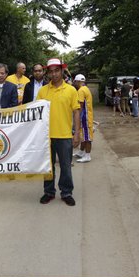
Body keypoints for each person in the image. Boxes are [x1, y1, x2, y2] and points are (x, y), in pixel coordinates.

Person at [36, 58, 80, 206]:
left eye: (57, 71)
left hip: (65, 135)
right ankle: (48, 192)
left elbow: (76, 112)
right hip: (45, 137)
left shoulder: (71, 90)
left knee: (66, 166)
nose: (54, 74)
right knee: (48, 167)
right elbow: (36, 113)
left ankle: (66, 192)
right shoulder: (43, 91)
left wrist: (77, 133)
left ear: (62, 71)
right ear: (47, 73)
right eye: (51, 71)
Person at [72, 74, 93, 163]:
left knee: (87, 137)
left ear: (77, 81)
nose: (74, 84)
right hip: (88, 115)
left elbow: (80, 106)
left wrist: (76, 118)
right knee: (84, 135)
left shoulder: (80, 90)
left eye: (75, 82)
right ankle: (81, 152)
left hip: (85, 117)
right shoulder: (86, 88)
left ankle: (87, 155)